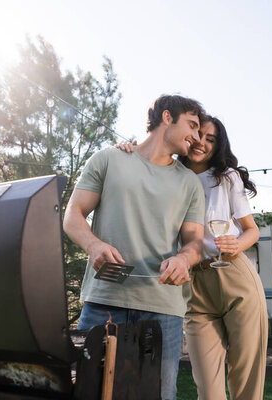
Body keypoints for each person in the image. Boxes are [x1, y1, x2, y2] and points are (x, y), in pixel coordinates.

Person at [63, 94, 207, 400]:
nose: (196, 137)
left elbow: (195, 242)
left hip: (162, 312)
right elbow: (72, 215)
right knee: (86, 393)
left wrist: (184, 259)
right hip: (104, 302)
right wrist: (93, 244)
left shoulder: (189, 183)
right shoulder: (108, 159)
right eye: (192, 125)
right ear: (167, 117)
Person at [118, 116, 268, 400]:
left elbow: (252, 230)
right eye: (199, 135)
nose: (202, 142)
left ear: (218, 145)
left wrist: (236, 245)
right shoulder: (170, 175)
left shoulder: (227, 177)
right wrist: (129, 150)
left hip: (234, 275)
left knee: (246, 379)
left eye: (211, 139)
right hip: (193, 284)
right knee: (209, 390)